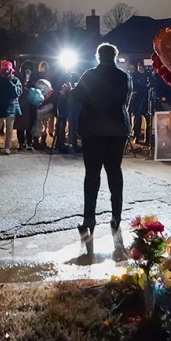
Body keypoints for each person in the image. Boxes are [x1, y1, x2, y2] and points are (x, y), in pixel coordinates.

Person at [72, 43, 132, 246]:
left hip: (93, 129)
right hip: (116, 128)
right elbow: (125, 100)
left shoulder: (90, 75)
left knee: (92, 174)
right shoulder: (123, 77)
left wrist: (67, 90)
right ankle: (116, 216)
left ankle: (89, 218)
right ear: (115, 57)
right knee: (115, 171)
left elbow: (77, 96)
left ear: (98, 56)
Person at [0, 60, 20, 155]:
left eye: (7, 70)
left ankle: (7, 148)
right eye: (4, 70)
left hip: (11, 108)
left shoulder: (15, 80)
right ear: (0, 71)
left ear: (11, 71)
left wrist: (11, 83)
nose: (6, 72)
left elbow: (17, 93)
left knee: (9, 129)